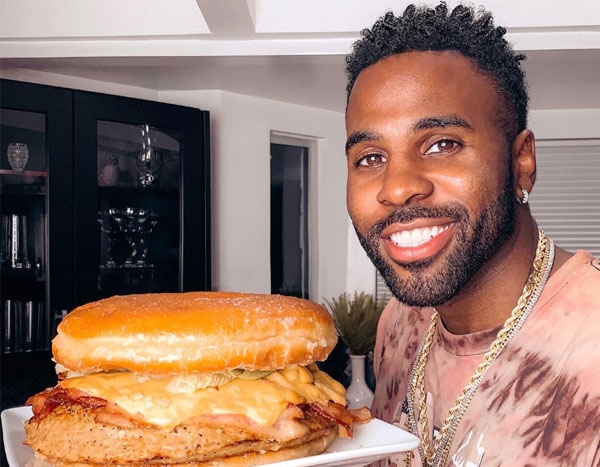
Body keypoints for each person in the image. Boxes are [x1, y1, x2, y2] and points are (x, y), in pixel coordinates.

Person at [343, 3, 600, 466]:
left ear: (522, 162)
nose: (396, 189)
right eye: (370, 157)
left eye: (442, 144)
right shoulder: (398, 325)